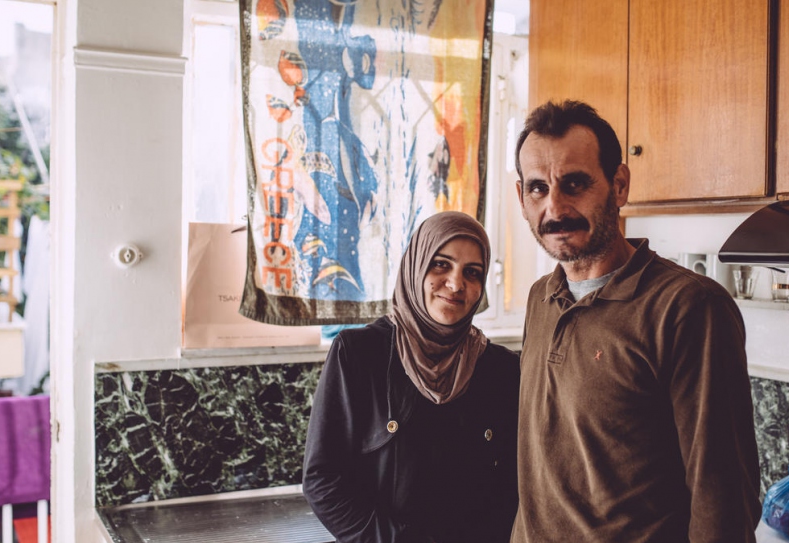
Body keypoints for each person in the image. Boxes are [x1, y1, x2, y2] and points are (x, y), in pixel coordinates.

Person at [509, 100, 761, 542]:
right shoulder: (540, 298)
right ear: (521, 197)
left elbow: (722, 498)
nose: (555, 207)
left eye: (575, 183)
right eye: (538, 188)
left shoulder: (687, 308)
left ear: (619, 185)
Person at [303, 211, 520, 543]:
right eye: (441, 264)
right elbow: (323, 478)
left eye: (472, 273)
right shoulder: (360, 354)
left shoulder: (500, 369)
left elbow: (512, 484)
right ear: (415, 267)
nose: (456, 284)